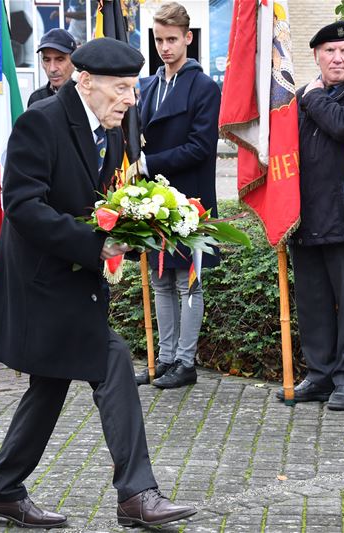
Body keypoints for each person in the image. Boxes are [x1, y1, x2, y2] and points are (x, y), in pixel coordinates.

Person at [0, 38, 197, 528]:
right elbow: (23, 206)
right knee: (111, 361)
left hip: (73, 284)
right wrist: (93, 244)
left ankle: (0, 491)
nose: (131, 99)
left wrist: (142, 228)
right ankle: (136, 494)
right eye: (122, 88)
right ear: (87, 81)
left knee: (50, 385)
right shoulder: (41, 122)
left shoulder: (110, 131)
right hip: (38, 286)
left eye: (134, 88)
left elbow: (100, 208)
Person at [274, 21, 344, 412]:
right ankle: (319, 375)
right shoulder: (299, 97)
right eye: (330, 51)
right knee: (312, 304)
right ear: (316, 56)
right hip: (307, 219)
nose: (337, 58)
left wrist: (313, 98)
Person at [133, 2, 221, 390]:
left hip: (190, 199)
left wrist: (148, 162)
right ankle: (165, 359)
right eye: (158, 40)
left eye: (172, 39)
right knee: (160, 280)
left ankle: (186, 362)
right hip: (155, 198)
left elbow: (201, 146)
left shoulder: (204, 87)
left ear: (188, 38)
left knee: (188, 281)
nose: (165, 48)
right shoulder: (148, 86)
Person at [27, 28, 77, 106]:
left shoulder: (89, 95)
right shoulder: (37, 99)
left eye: (60, 60)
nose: (52, 69)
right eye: (47, 60)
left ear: (74, 60)